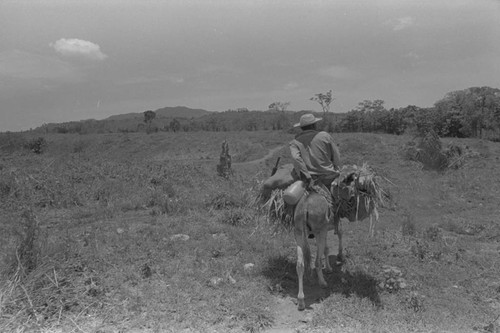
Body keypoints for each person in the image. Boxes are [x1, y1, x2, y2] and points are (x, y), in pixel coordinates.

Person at [290, 113, 341, 189]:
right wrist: (337, 168)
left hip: (310, 179)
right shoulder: (325, 136)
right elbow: (336, 157)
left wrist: (306, 175)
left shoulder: (295, 141)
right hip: (329, 177)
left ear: (301, 128)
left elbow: (296, 158)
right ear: (314, 125)